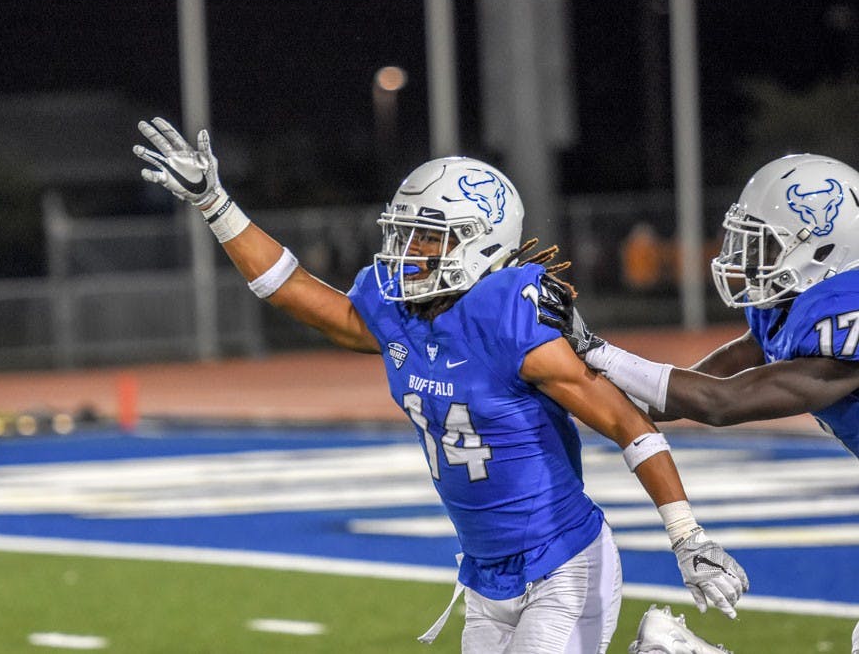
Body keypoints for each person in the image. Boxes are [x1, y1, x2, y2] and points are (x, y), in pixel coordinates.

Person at [133, 118, 748, 654]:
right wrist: (217, 204)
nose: (407, 249)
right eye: (404, 232)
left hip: (562, 565)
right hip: (485, 577)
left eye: (428, 235)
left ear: (480, 240)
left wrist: (687, 537)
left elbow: (628, 424)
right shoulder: (398, 310)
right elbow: (294, 292)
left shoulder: (511, 316)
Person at [541, 152, 859, 654]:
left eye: (767, 245)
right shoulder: (792, 310)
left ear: (823, 249)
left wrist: (593, 347)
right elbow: (688, 392)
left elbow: (721, 403)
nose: (748, 260)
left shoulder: (844, 316)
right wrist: (570, 378)